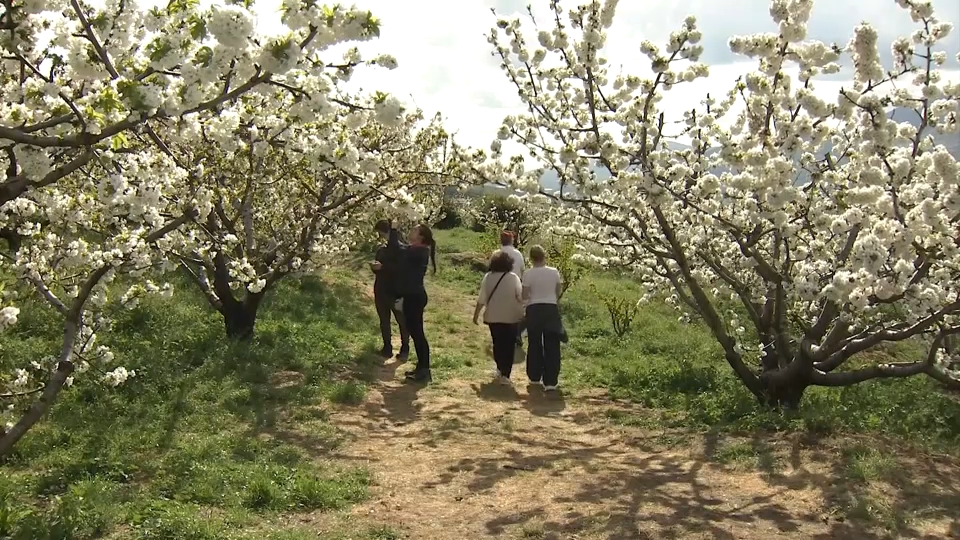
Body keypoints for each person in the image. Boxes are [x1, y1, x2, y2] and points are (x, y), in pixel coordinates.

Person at [385, 222, 437, 383]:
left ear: (421, 237)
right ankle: (422, 368)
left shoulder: (419, 251)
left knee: (418, 334)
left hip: (414, 297)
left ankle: (424, 370)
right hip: (412, 296)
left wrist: (393, 229)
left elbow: (397, 248)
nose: (411, 231)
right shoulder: (415, 250)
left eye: (415, 230)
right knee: (416, 333)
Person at [472, 250, 524, 385]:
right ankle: (506, 374)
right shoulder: (513, 277)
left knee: (497, 343)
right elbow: (520, 296)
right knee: (509, 345)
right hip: (511, 316)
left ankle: (499, 369)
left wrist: (476, 315)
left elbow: (482, 298)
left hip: (494, 316)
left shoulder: (488, 277)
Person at [522, 245, 565, 391]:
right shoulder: (554, 272)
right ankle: (551, 381)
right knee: (552, 344)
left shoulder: (528, 274)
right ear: (544, 256)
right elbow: (557, 290)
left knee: (534, 342)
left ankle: (534, 376)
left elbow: (524, 295)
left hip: (534, 309)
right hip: (550, 308)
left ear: (531, 258)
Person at [370, 220, 409, 360]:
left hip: (396, 291)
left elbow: (402, 270)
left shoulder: (403, 250)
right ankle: (387, 347)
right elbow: (379, 268)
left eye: (381, 233)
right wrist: (375, 268)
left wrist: (383, 268)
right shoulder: (381, 250)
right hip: (381, 289)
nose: (381, 236)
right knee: (384, 320)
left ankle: (405, 349)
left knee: (402, 321)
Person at [496, 231, 526, 347]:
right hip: (515, 285)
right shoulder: (518, 254)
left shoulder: (497, 254)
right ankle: (516, 334)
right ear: (512, 241)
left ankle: (502, 335)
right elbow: (522, 270)